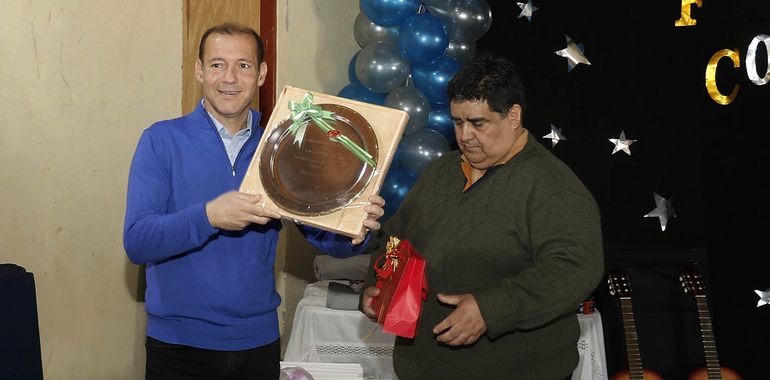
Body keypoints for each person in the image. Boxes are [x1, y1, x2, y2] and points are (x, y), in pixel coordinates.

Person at [123, 23, 384, 380]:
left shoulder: (283, 149)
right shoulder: (160, 141)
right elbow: (138, 241)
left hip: (257, 344)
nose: (229, 78)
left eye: (243, 65)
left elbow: (325, 237)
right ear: (199, 70)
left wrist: (357, 228)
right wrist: (209, 216)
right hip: (179, 346)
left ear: (261, 73)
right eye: (217, 64)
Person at [361, 52, 603, 380]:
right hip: (422, 368)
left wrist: (491, 310)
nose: (464, 135)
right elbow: (394, 237)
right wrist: (377, 285)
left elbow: (575, 268)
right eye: (457, 121)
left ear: (513, 115)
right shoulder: (441, 171)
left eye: (478, 122)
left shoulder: (552, 185)